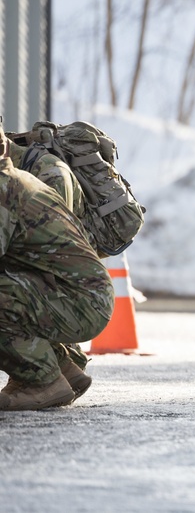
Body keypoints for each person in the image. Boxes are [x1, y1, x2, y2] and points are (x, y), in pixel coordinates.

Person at [0, 130, 114, 410]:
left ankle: (41, 381)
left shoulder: (6, 188)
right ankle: (63, 370)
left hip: (81, 302)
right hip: (71, 295)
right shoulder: (13, 179)